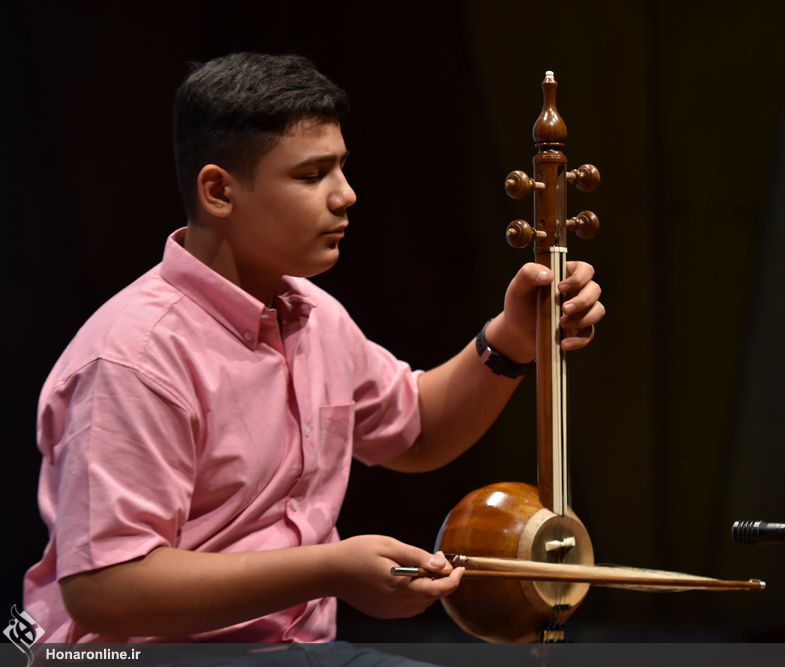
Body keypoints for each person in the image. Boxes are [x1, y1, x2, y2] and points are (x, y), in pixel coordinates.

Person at [22, 52, 604, 645]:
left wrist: (512, 336)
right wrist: (330, 569)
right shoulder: (133, 358)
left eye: (342, 169)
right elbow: (106, 592)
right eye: (311, 175)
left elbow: (418, 431)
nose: (346, 195)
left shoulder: (313, 314)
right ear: (219, 191)